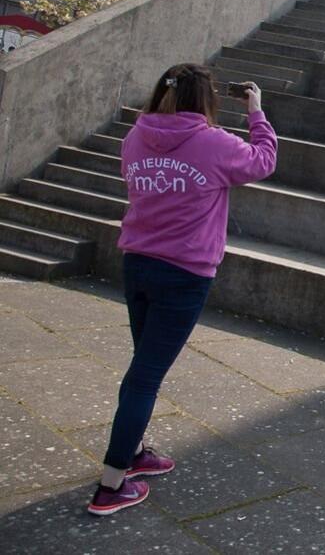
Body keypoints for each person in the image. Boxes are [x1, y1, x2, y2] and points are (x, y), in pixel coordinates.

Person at [87, 64, 278, 516]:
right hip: (184, 274)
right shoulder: (213, 143)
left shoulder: (135, 137)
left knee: (143, 367)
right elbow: (263, 161)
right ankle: (111, 485)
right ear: (206, 99)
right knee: (146, 375)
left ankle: (133, 454)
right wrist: (257, 112)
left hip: (137, 263)